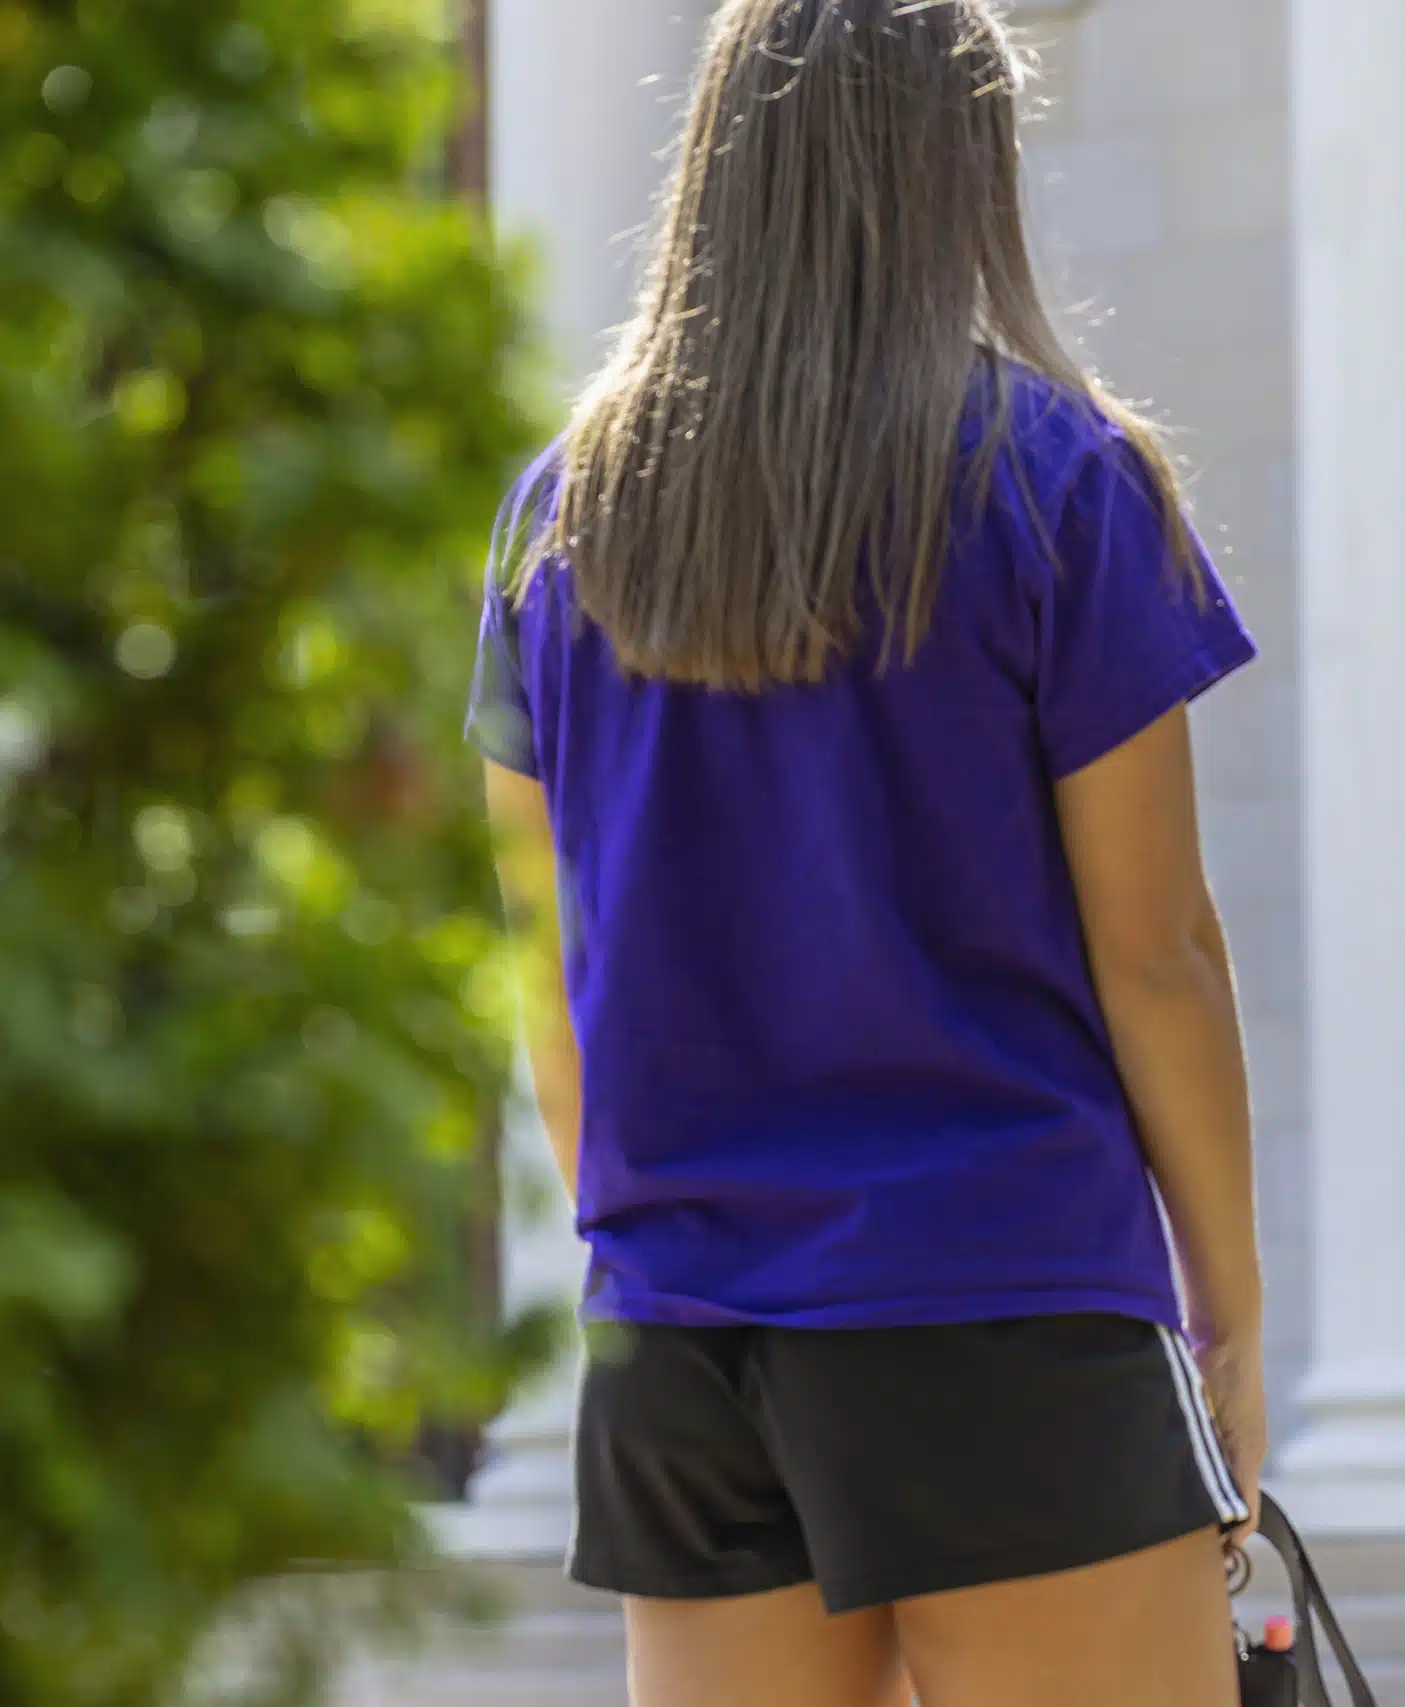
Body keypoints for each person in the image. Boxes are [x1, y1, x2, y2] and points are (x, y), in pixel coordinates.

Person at [465, 4, 1263, 1704]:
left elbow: (550, 978)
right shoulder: (1064, 478)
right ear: (959, 164)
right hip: (1001, 1290)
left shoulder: (563, 513)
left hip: (683, 1329)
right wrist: (1230, 1305)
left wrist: (652, 1235)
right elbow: (1158, 952)